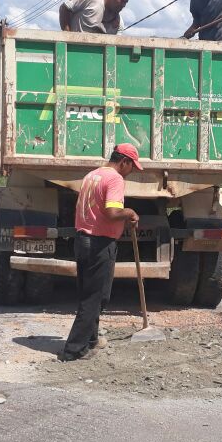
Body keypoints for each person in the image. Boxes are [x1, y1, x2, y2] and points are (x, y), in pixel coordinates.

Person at [60, 143, 142, 362]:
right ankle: (73, 350)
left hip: (83, 240)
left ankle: (92, 339)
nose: (131, 171)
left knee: (94, 294)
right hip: (99, 243)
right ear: (124, 161)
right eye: (132, 166)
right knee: (94, 299)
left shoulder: (93, 175)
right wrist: (130, 212)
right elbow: (112, 212)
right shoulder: (115, 179)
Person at [59, 0, 133, 34]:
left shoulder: (119, 23)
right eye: (121, 1)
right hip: (74, 48)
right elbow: (64, 7)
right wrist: (68, 36)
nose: (124, 5)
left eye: (126, 2)